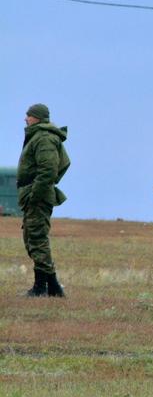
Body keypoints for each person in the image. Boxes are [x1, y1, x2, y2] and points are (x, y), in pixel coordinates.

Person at [17, 103, 70, 298]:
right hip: (35, 195)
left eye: (28, 115)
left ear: (37, 117)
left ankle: (41, 287)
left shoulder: (44, 138)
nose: (25, 119)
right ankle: (53, 287)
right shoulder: (39, 136)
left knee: (37, 239)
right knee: (32, 238)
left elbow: (47, 170)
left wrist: (34, 195)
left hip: (38, 197)